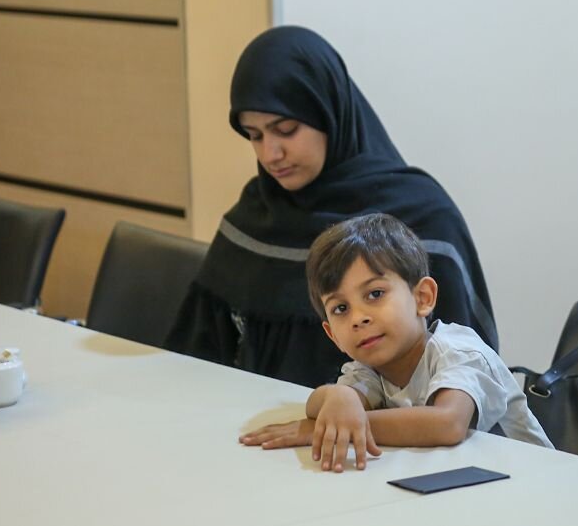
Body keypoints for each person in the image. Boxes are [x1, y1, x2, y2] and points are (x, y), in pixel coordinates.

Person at [167, 26, 497, 388]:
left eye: (286, 129)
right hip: (252, 417)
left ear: (328, 113)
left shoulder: (421, 219)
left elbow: (467, 378)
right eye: (255, 135)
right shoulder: (255, 216)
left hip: (392, 423)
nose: (270, 154)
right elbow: (196, 358)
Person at [238, 213, 551, 471]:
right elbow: (318, 405)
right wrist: (338, 397)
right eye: (341, 308)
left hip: (532, 483)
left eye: (375, 294)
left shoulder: (459, 352)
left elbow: (447, 424)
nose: (358, 318)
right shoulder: (369, 369)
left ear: (422, 297)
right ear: (332, 334)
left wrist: (346, 424)